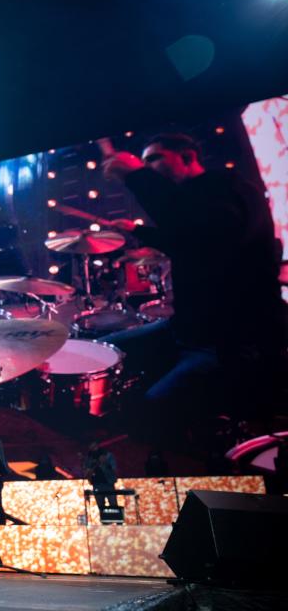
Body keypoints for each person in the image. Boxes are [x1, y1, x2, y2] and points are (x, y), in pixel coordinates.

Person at [103, 133, 288, 436]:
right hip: (186, 329)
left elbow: (208, 231)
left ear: (187, 157)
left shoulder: (229, 188)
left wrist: (136, 175)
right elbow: (187, 240)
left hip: (230, 341)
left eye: (154, 159)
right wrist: (138, 230)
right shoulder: (194, 205)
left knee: (149, 413)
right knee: (104, 350)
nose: (147, 166)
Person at [82, 442, 118, 513]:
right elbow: (86, 471)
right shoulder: (89, 457)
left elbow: (114, 468)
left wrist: (105, 463)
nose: (93, 448)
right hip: (96, 484)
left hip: (108, 483)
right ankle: (105, 522)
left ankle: (117, 521)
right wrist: (90, 472)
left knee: (113, 504)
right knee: (101, 506)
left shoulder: (107, 455)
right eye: (91, 447)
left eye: (94, 446)